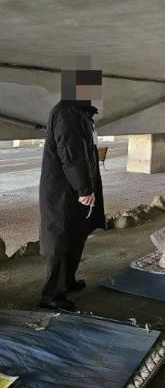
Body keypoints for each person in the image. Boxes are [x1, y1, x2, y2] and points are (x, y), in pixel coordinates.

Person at [39, 68, 105, 311]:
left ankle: (67, 282)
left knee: (76, 234)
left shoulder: (79, 112)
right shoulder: (67, 113)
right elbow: (71, 154)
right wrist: (84, 188)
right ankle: (51, 295)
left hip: (74, 189)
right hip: (63, 191)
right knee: (61, 238)